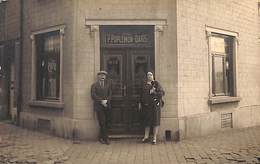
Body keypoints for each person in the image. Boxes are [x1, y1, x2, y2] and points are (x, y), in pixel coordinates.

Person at [139, 72, 165, 145]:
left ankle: (154, 138)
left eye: (150, 75)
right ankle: (146, 136)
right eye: (148, 75)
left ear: (153, 76)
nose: (149, 76)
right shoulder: (144, 84)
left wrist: (154, 92)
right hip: (146, 106)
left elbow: (162, 93)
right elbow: (141, 94)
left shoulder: (156, 84)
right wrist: (140, 103)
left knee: (155, 121)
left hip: (155, 107)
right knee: (146, 122)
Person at [91, 70, 112, 145]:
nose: (103, 77)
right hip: (99, 107)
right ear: (98, 77)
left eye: (104, 75)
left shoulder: (108, 85)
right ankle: (106, 139)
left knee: (106, 122)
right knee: (102, 122)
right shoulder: (94, 85)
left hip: (107, 105)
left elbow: (110, 94)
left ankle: (101, 137)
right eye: (101, 75)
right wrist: (101, 101)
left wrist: (106, 101)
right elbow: (93, 95)